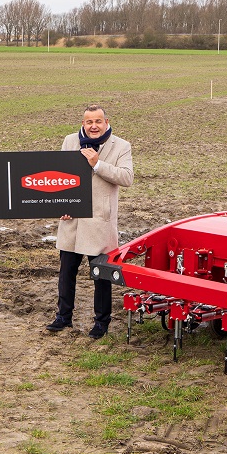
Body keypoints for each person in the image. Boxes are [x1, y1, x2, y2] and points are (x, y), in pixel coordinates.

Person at [48, 104, 134, 339]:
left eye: (98, 121)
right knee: (66, 272)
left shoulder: (121, 146)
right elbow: (58, 176)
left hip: (100, 222)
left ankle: (101, 322)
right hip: (72, 221)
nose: (93, 126)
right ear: (83, 123)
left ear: (106, 122)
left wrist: (97, 164)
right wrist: (61, 205)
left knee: (101, 275)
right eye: (89, 122)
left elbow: (127, 177)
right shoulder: (69, 141)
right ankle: (63, 317)